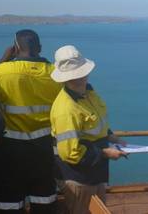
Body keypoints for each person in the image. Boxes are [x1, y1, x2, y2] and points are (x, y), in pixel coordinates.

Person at [50, 45, 127, 214]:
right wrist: (106, 153)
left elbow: (95, 122)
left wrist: (111, 136)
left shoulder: (88, 93)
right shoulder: (66, 109)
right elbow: (71, 152)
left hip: (95, 173)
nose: (83, 76)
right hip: (78, 178)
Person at [0, 30, 62, 213]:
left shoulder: (0, 73)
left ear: (15, 48)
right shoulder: (56, 74)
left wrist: (2, 59)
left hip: (9, 149)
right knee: (44, 199)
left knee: (8, 202)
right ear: (39, 48)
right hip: (44, 148)